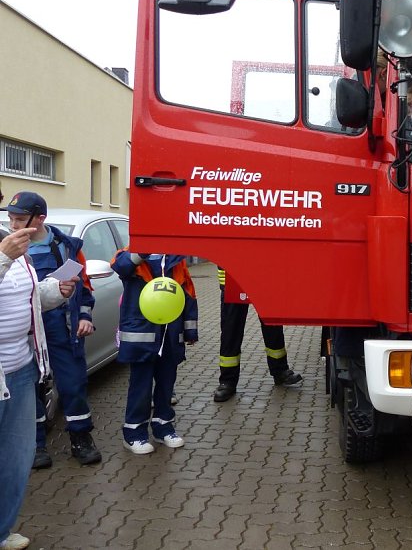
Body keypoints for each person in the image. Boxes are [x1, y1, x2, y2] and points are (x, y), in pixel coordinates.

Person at [3, 191, 101, 469]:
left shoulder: (67, 246)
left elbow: (84, 286)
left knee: (73, 384)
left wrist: (84, 315)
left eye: (20, 219)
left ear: (40, 218)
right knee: (29, 388)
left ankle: (81, 440)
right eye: (10, 218)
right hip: (27, 330)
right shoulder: (7, 248)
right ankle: (35, 446)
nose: (13, 226)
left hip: (62, 328)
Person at [1, 220, 77, 550]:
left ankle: (2, 530)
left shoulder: (8, 239)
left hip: (19, 369)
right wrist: (3, 259)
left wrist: (52, 291)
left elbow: (24, 297)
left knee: (16, 458)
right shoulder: (7, 249)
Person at [111, 250, 198, 454]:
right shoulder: (128, 256)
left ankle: (164, 427)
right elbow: (120, 267)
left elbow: (188, 293)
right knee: (140, 387)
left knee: (167, 384)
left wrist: (190, 329)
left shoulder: (176, 259)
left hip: (170, 334)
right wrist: (141, 251)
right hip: (142, 336)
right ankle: (133, 433)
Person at [212, 267, 302, 402]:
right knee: (231, 331)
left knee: (273, 326)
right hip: (233, 280)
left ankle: (280, 371)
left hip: (263, 276)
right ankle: (227, 382)